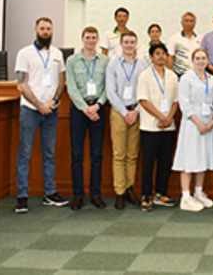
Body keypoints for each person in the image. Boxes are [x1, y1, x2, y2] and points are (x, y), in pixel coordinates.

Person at [14, 17, 68, 213]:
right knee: (24, 153)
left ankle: (50, 193)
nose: (46, 32)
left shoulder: (57, 54)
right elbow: (21, 84)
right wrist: (38, 105)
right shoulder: (24, 53)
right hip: (30, 110)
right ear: (36, 29)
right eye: (43, 28)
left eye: (49, 29)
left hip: (51, 111)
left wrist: (52, 102)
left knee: (49, 154)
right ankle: (22, 196)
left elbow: (61, 82)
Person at [65, 26, 109, 210]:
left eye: (94, 37)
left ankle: (96, 194)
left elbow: (108, 86)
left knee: (96, 155)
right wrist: (85, 109)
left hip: (99, 108)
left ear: (97, 40)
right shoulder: (72, 60)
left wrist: (98, 105)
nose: (91, 40)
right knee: (77, 155)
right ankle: (78, 195)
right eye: (88, 37)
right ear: (82, 39)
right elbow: (71, 88)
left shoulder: (105, 61)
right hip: (78, 110)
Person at [172, 48, 213, 212]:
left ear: (207, 61)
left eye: (203, 58)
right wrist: (198, 123)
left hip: (209, 123)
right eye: (197, 58)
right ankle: (185, 196)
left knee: (203, 157)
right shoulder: (186, 79)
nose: (200, 61)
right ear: (192, 61)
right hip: (192, 123)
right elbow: (184, 104)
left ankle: (199, 192)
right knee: (189, 157)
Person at [105, 30, 148, 210]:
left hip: (137, 112)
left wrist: (136, 111)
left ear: (136, 44)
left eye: (132, 42)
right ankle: (120, 192)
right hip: (119, 112)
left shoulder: (143, 65)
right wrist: (125, 112)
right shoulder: (113, 65)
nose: (129, 45)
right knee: (119, 154)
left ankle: (130, 189)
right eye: (126, 42)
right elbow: (110, 92)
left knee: (132, 155)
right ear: (121, 44)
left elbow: (147, 89)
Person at [137, 43, 179, 212]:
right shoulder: (144, 76)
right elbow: (143, 100)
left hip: (169, 127)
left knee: (165, 161)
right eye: (158, 54)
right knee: (148, 162)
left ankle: (161, 193)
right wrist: (162, 117)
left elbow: (176, 101)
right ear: (151, 57)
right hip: (150, 127)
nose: (161, 57)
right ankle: (146, 195)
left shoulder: (172, 76)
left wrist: (169, 118)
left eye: (164, 54)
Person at [167, 12, 202, 78]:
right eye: (186, 21)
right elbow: (170, 57)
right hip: (179, 74)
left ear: (195, 23)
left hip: (196, 74)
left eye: (191, 21)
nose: (188, 23)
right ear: (182, 23)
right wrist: (169, 75)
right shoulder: (174, 38)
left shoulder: (200, 39)